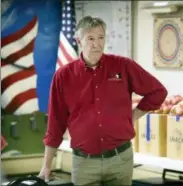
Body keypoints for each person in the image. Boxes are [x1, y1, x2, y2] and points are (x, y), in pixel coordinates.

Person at [38, 16, 168, 186]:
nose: (97, 44)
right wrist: (46, 165)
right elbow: (55, 123)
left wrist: (132, 116)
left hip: (120, 160)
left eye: (101, 38)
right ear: (78, 40)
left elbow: (158, 92)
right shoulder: (63, 76)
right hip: (84, 164)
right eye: (90, 38)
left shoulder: (123, 66)